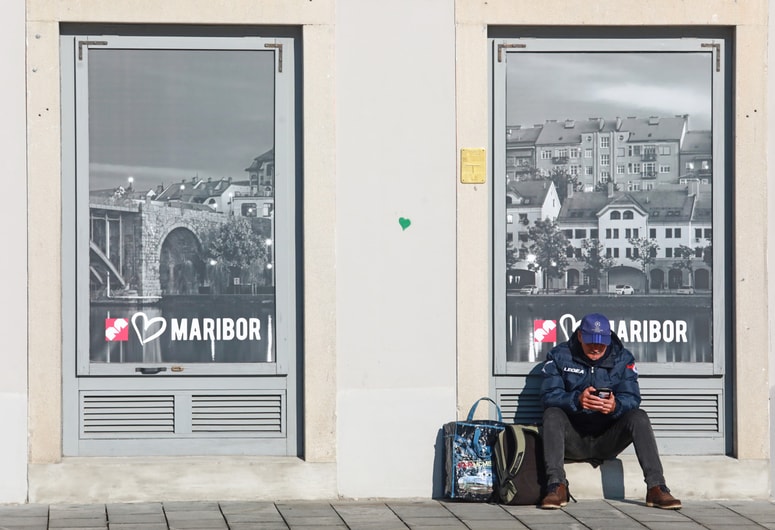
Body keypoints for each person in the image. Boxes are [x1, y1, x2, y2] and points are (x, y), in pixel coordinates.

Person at [538, 312, 681, 510]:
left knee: (639, 416)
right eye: (590, 341)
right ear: (580, 336)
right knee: (552, 414)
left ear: (608, 338)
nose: (596, 347)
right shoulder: (559, 355)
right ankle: (556, 485)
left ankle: (657, 487)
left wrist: (616, 406)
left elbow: (632, 398)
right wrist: (577, 400)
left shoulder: (623, 358)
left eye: (601, 342)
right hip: (572, 439)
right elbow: (548, 396)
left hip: (607, 438)